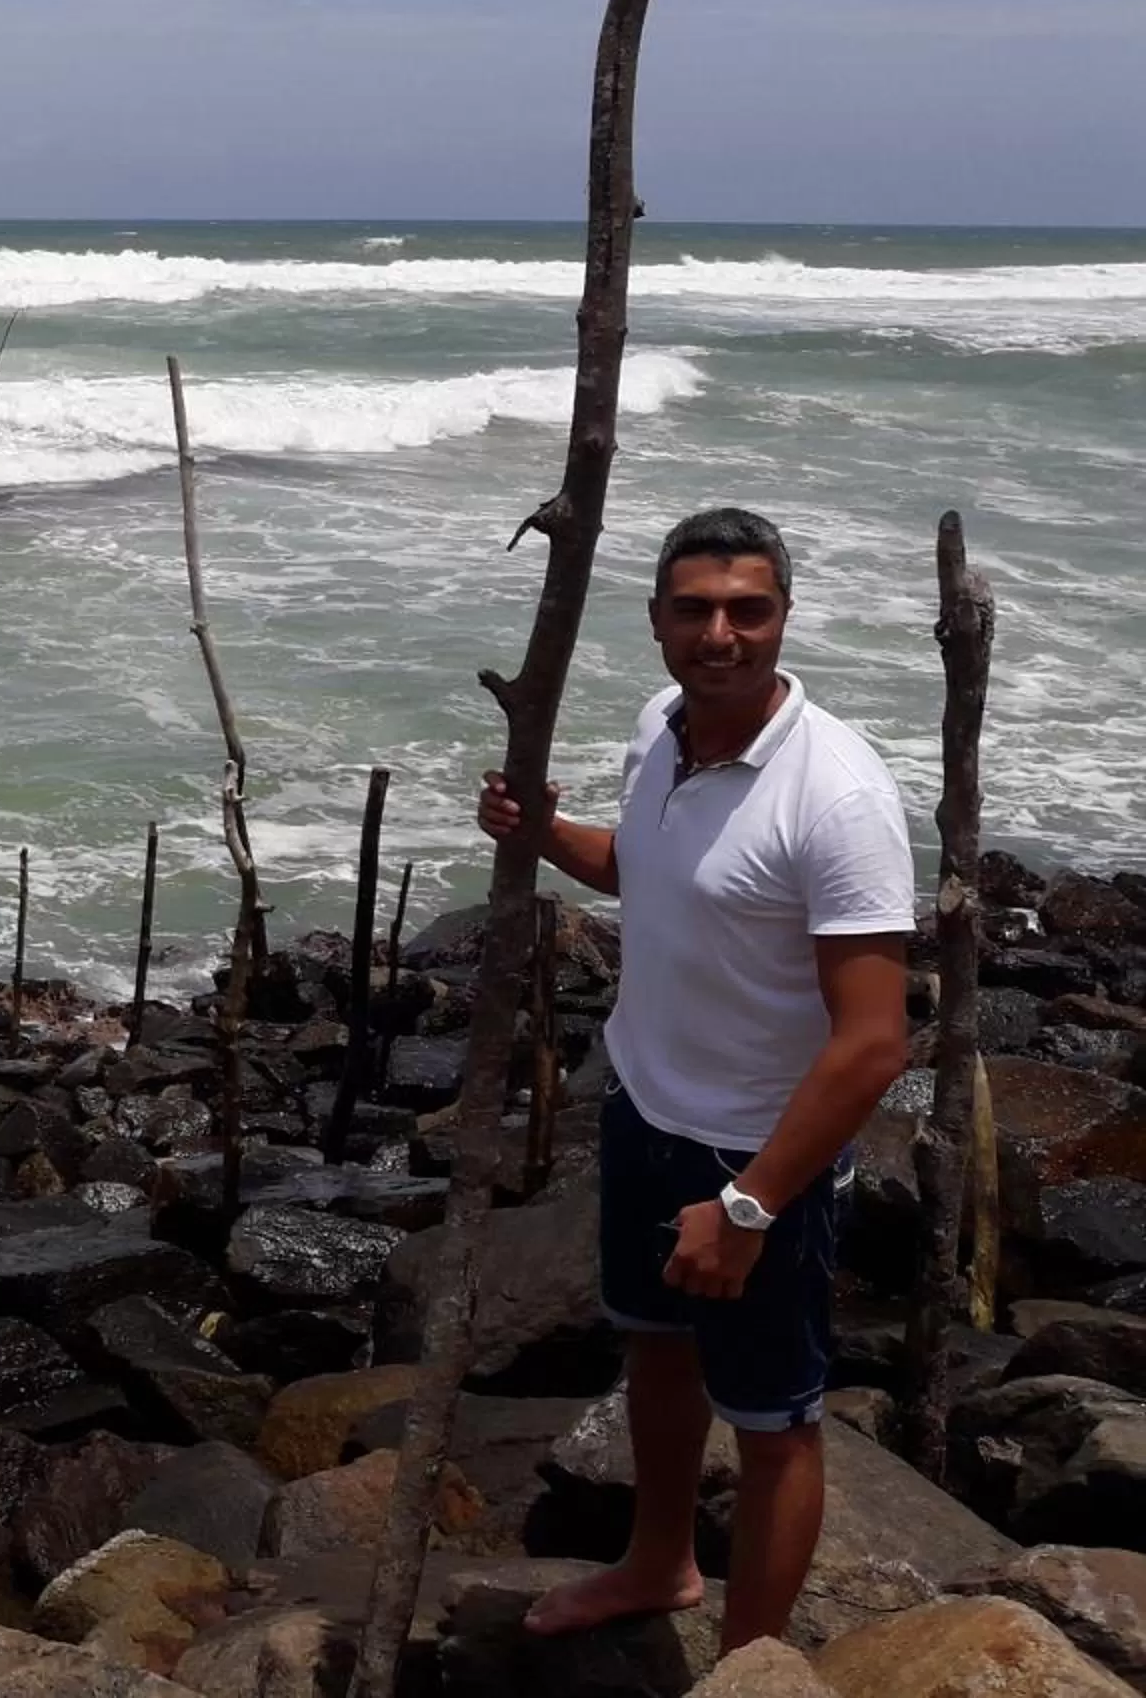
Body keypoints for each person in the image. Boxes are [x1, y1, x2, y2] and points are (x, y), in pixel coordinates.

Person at [477, 508, 913, 1652]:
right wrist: (541, 833)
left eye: (747, 610)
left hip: (761, 1157)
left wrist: (751, 1204)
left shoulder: (838, 795)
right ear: (659, 621)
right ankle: (658, 1564)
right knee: (657, 1353)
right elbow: (648, 872)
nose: (721, 634)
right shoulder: (659, 729)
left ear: (783, 619)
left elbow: (873, 1040)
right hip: (646, 1106)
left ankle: (748, 1670)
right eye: (695, 610)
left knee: (774, 1425)